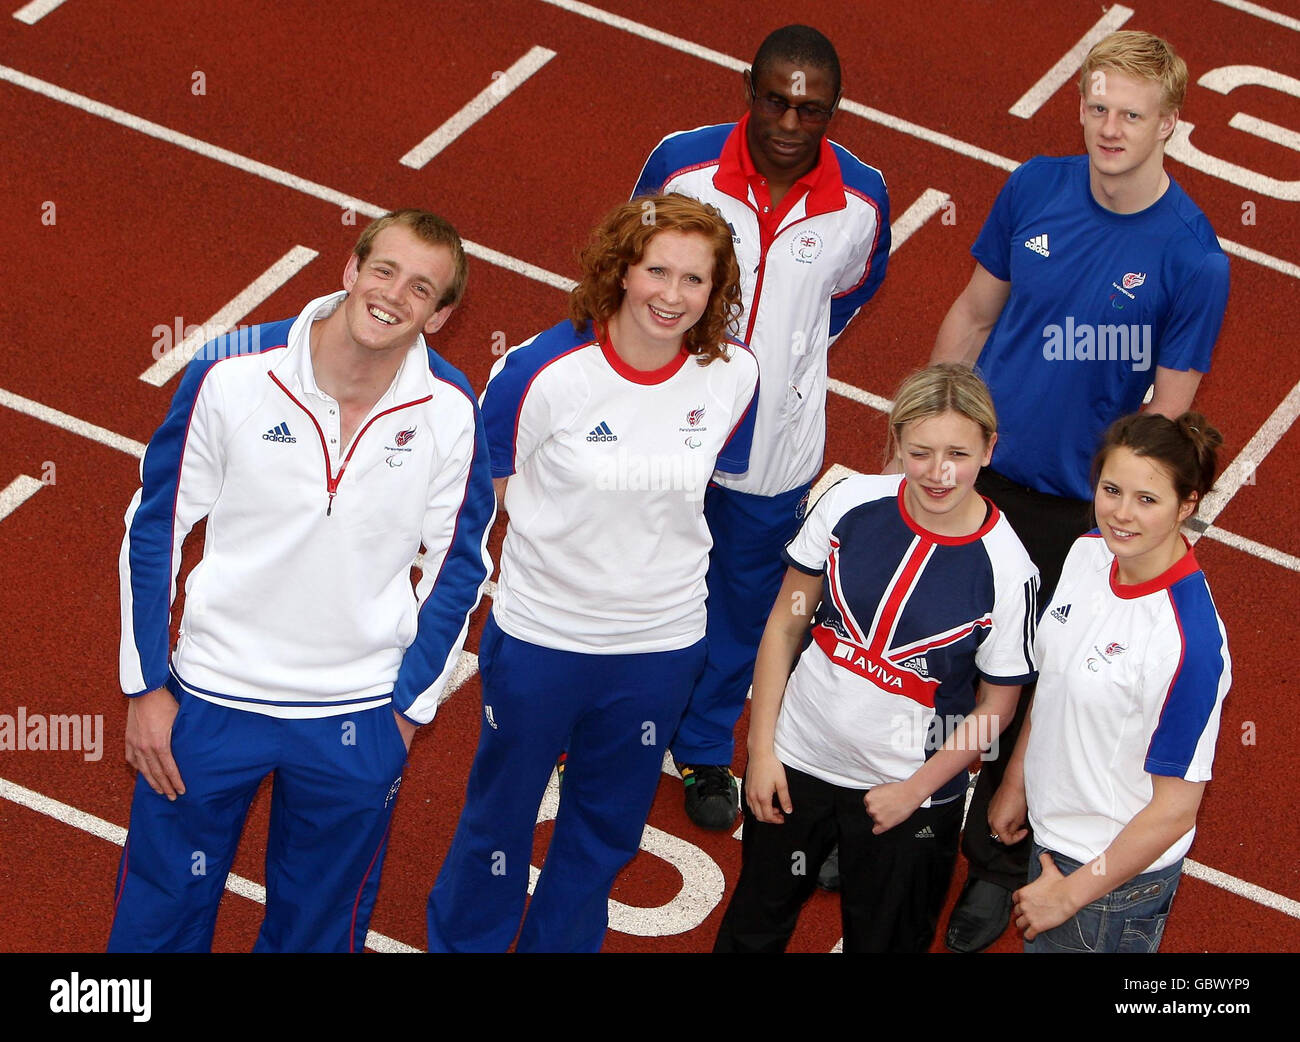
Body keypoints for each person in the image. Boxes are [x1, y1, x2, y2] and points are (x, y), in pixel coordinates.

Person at [110, 209, 495, 952]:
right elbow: (153, 526)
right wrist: (146, 687)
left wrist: (407, 713)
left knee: (316, 932)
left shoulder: (451, 412)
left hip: (354, 716)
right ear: (351, 270)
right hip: (210, 698)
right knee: (159, 915)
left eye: (422, 288)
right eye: (383, 270)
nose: (394, 295)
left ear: (442, 315)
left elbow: (459, 566)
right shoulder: (230, 372)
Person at [930, 30, 1229, 950]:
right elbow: (976, 312)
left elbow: (1166, 429)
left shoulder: (1194, 260)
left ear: (1169, 126)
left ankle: (991, 860)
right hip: (977, 477)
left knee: (1027, 686)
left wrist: (1128, 521)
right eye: (1097, 106)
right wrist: (935, 436)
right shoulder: (1033, 185)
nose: (1110, 127)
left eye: (1132, 115)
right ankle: (918, 816)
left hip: (1074, 511)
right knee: (942, 663)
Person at [425, 193, 759, 953]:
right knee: (500, 817)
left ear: (717, 291)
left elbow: (707, 493)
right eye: (657, 271)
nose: (672, 296)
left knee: (606, 827)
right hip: (545, 637)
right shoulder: (542, 370)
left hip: (660, 646)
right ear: (621, 269)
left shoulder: (734, 375)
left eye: (695, 280)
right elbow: (486, 491)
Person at [633, 24, 891, 830]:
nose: (788, 123)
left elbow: (850, 289)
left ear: (834, 112)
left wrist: (782, 360)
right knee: (638, 580)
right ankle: (610, 731)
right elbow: (629, 267)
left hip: (777, 450)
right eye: (775, 100)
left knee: (742, 607)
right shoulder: (682, 164)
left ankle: (705, 749)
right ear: (749, 86)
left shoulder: (862, 197)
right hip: (665, 435)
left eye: (810, 110)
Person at [713, 365, 1038, 952]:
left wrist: (916, 790)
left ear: (990, 449)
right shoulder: (848, 502)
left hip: (908, 795)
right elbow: (785, 624)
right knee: (753, 928)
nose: (939, 473)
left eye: (959, 454)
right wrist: (762, 751)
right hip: (795, 767)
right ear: (895, 442)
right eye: (920, 452)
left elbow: (998, 708)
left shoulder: (1010, 572)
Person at [990, 411, 1230, 952]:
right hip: (1055, 840)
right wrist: (1017, 781)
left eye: (1148, 500)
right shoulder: (1089, 552)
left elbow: (1175, 810)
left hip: (1107, 884)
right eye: (1111, 489)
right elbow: (1056, 683)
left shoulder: (1186, 642)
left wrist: (1072, 894)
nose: (1122, 514)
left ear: (1187, 505)